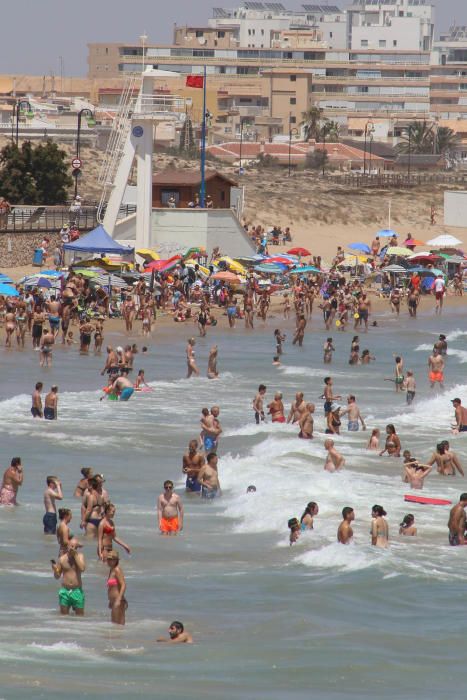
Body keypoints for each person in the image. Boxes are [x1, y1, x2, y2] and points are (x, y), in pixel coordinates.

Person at [51, 538, 86, 616]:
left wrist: (75, 556)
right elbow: (57, 576)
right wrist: (55, 570)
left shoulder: (80, 556)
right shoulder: (62, 559)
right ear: (68, 546)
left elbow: (82, 568)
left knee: (80, 617)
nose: (73, 548)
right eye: (71, 546)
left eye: (75, 547)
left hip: (77, 591)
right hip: (65, 592)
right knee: (63, 616)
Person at [106, 550, 128, 625]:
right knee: (114, 626)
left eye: (111, 559)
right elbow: (112, 587)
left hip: (118, 601)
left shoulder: (117, 570)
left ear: (116, 560)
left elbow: (123, 584)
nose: (108, 561)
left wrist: (118, 599)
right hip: (114, 601)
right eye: (108, 559)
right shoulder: (111, 570)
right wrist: (110, 600)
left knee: (118, 626)